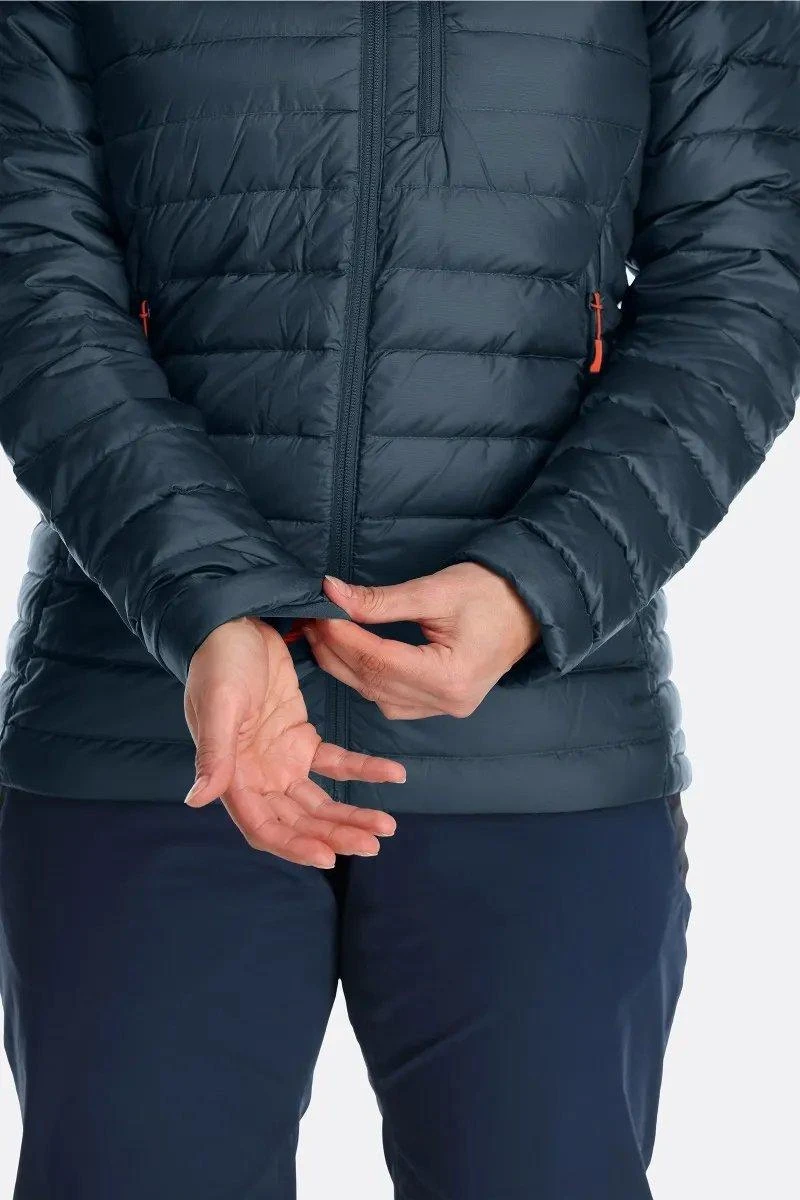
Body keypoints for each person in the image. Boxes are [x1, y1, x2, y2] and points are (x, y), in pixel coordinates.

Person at [0, 2, 796, 1197]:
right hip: (151, 716)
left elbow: (741, 284)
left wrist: (536, 583)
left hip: (539, 739)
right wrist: (211, 599)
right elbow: (32, 279)